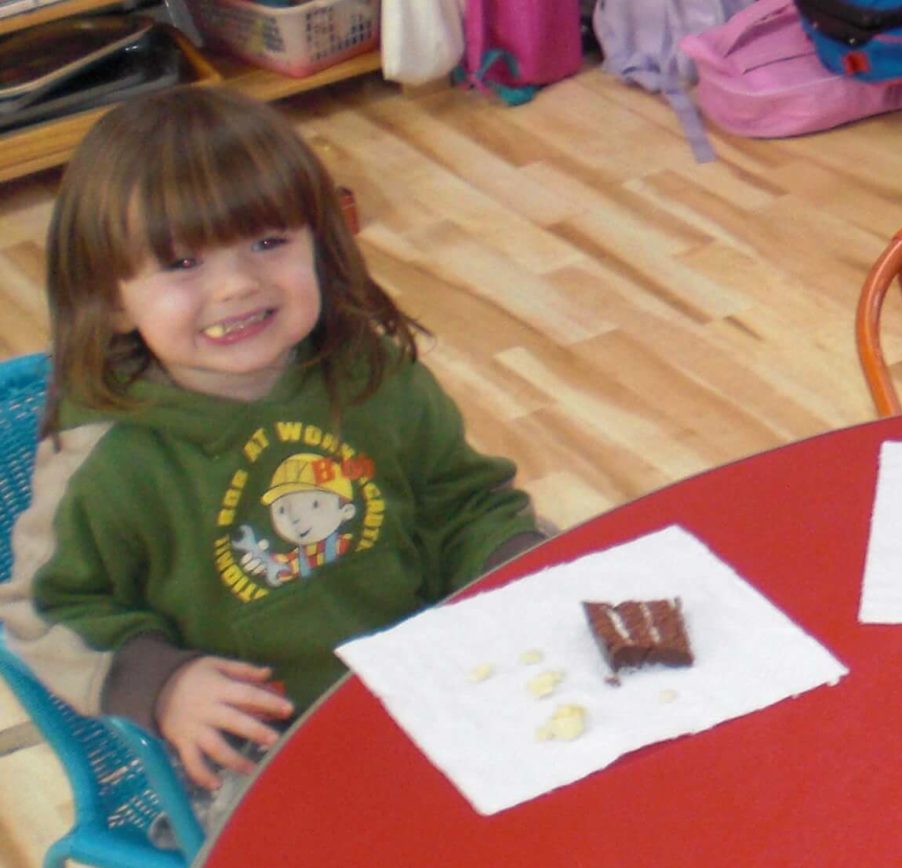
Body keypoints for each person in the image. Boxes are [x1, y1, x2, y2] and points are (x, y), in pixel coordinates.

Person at [0, 89, 542, 803]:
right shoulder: (108, 462)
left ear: (320, 242)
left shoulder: (369, 371)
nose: (236, 285)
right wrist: (164, 683)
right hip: (259, 760)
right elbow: (43, 609)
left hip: (435, 688)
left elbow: (463, 503)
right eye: (182, 263)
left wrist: (518, 561)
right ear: (110, 299)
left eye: (267, 243)